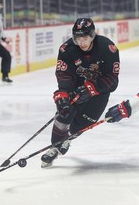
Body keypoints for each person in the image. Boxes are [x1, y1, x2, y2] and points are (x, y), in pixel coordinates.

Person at [41, 18, 120, 168]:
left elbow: (112, 77)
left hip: (100, 90)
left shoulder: (107, 47)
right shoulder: (67, 49)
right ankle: (54, 147)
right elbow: (64, 74)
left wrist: (92, 88)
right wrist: (63, 94)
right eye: (78, 38)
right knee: (64, 112)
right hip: (76, 86)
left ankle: (68, 138)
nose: (82, 42)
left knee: (85, 122)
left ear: (92, 36)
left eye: (85, 38)